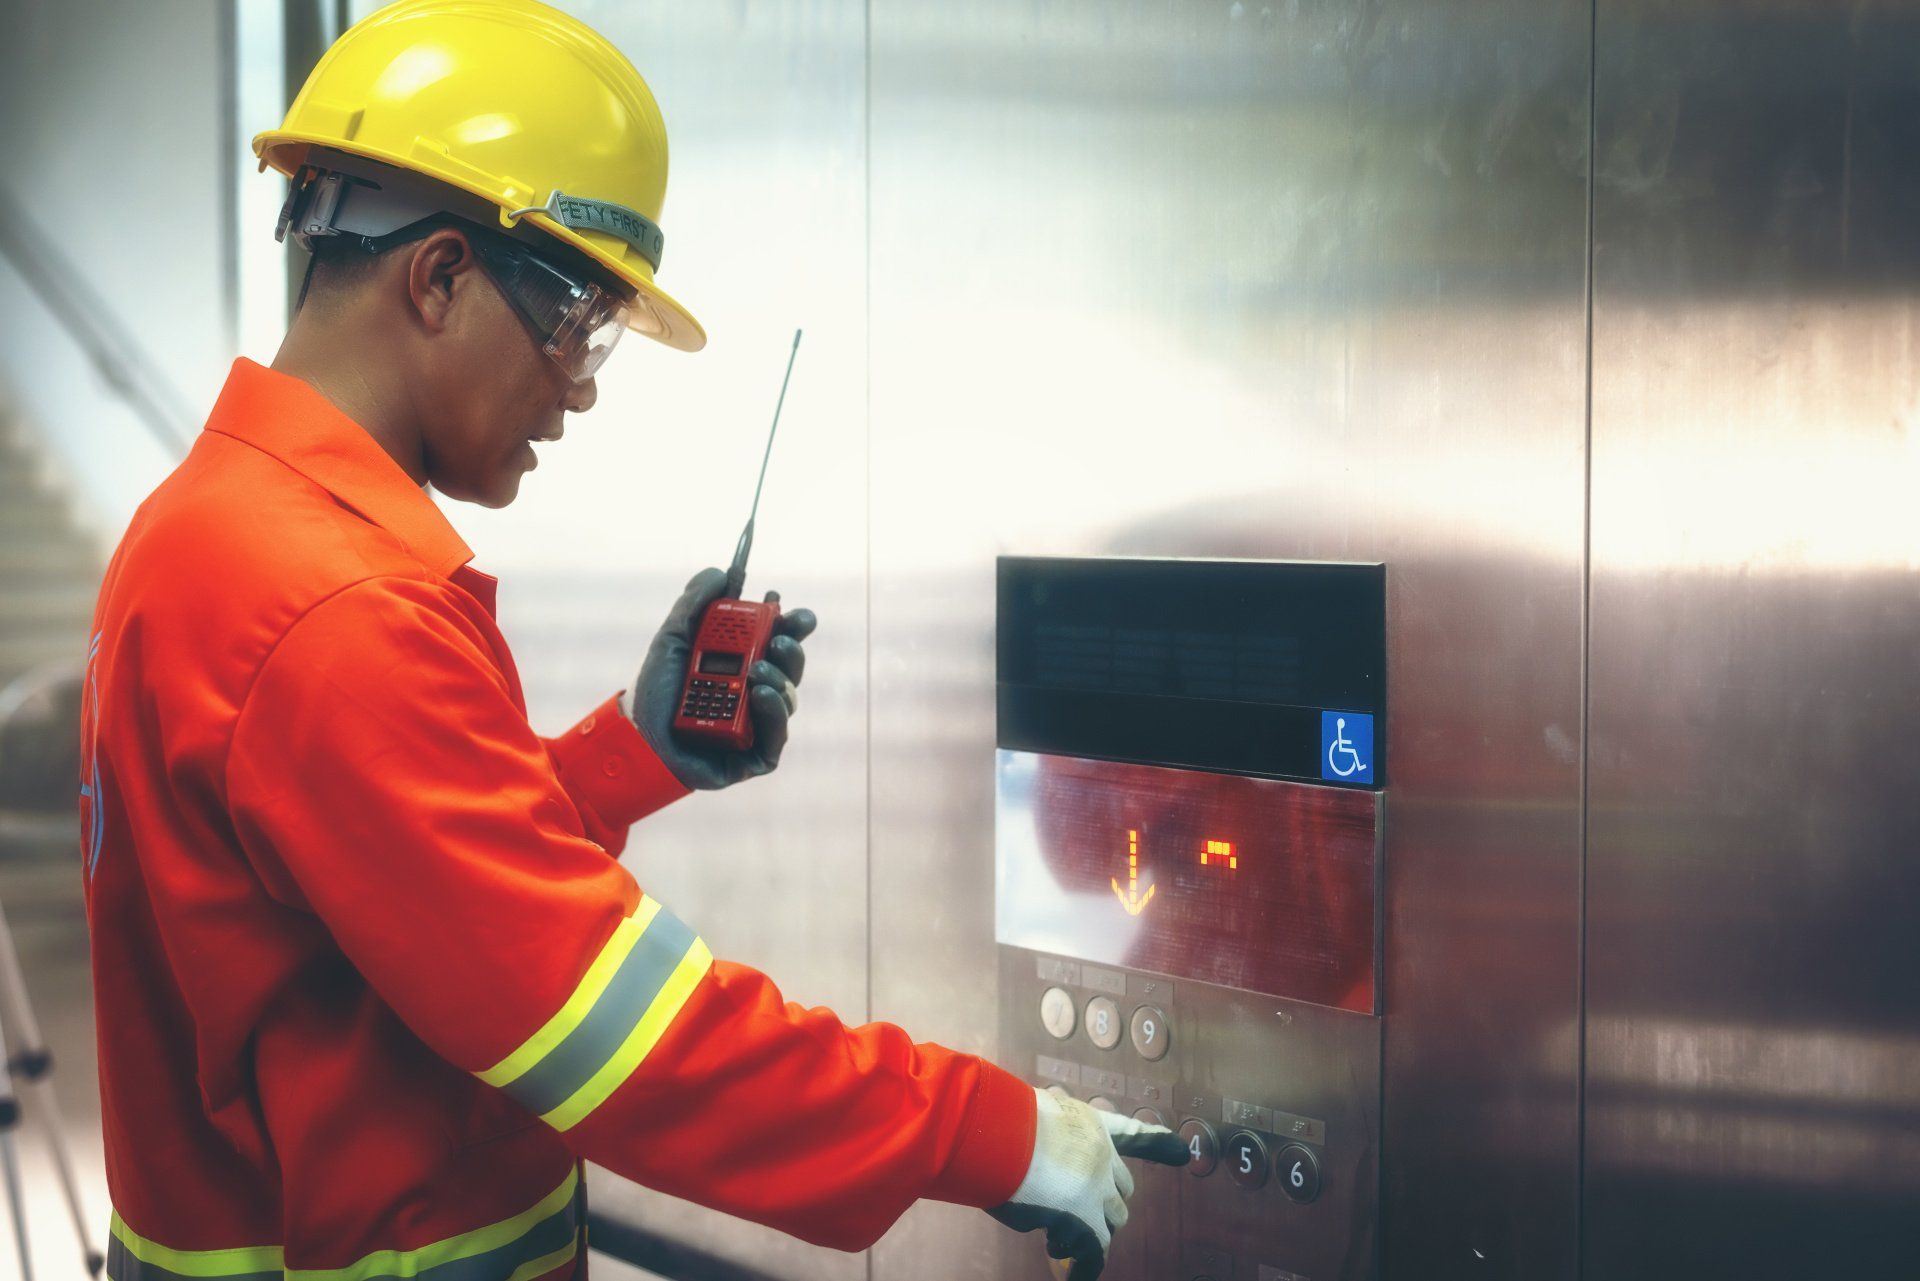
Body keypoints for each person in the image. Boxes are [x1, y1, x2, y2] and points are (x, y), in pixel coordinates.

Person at [76, 3, 1184, 1280]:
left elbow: (380, 897)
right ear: (438, 276)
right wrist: (999, 1132)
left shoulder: (204, 529)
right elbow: (629, 1041)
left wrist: (627, 758)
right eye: (579, 323)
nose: (583, 384)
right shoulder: (336, 609)